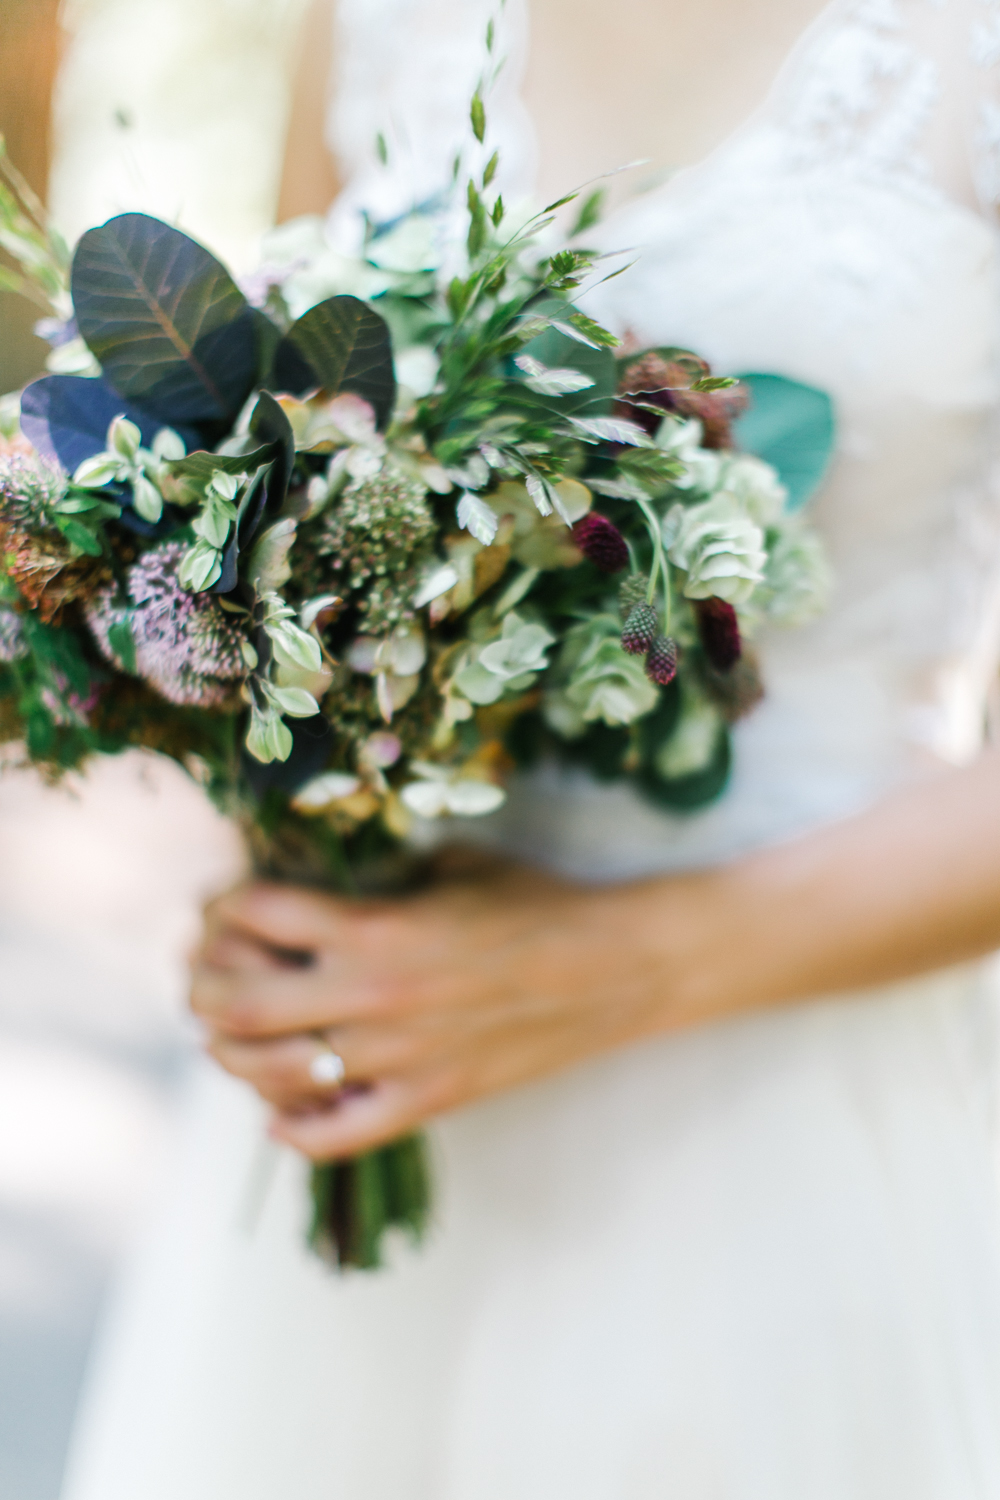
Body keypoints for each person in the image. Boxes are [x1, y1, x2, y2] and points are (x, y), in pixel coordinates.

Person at [61, 1, 1000, 1496]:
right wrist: (280, 852)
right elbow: (271, 463)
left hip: (788, 1100)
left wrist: (612, 968)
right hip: (387, 1041)